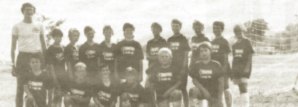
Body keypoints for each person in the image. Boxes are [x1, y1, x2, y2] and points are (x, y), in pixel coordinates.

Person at [11, 3, 46, 107]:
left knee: (40, 84)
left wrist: (46, 60)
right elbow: (13, 47)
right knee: (20, 86)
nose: (29, 12)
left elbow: (44, 44)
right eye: (26, 10)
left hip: (37, 56)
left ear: (34, 12)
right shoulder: (17, 26)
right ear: (23, 11)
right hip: (23, 57)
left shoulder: (39, 25)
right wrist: (13, 64)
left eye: (31, 10)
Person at [189, 43, 224, 107]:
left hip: (214, 93)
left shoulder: (216, 64)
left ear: (210, 51)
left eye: (205, 50)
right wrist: (204, 90)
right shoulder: (197, 65)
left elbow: (221, 82)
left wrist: (220, 99)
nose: (203, 53)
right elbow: (194, 80)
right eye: (201, 51)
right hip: (202, 91)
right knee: (193, 90)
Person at [167, 19, 190, 107]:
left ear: (180, 27)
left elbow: (186, 54)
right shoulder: (169, 39)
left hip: (181, 68)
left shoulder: (183, 39)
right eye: (173, 26)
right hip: (172, 68)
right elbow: (167, 54)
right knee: (173, 88)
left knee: (183, 89)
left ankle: (186, 105)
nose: (175, 28)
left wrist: (184, 68)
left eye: (177, 26)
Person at [231, 25, 254, 107]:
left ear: (243, 31)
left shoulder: (247, 41)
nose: (238, 33)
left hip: (244, 68)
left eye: (240, 31)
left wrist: (247, 67)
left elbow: (250, 55)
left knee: (244, 87)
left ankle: (245, 105)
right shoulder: (234, 44)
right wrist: (232, 70)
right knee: (240, 87)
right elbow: (234, 58)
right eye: (236, 32)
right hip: (237, 68)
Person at [211, 21, 232, 107]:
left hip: (223, 68)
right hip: (214, 69)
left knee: (225, 89)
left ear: (222, 29)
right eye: (214, 28)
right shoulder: (212, 41)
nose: (216, 30)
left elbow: (225, 57)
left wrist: (223, 70)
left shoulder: (224, 41)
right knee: (216, 90)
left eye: (218, 28)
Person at [45, 28, 67, 107]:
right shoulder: (50, 49)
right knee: (51, 96)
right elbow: (50, 65)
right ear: (53, 37)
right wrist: (54, 77)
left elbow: (66, 63)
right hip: (52, 75)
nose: (59, 38)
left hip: (62, 74)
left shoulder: (63, 48)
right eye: (56, 36)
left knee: (60, 95)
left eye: (60, 37)